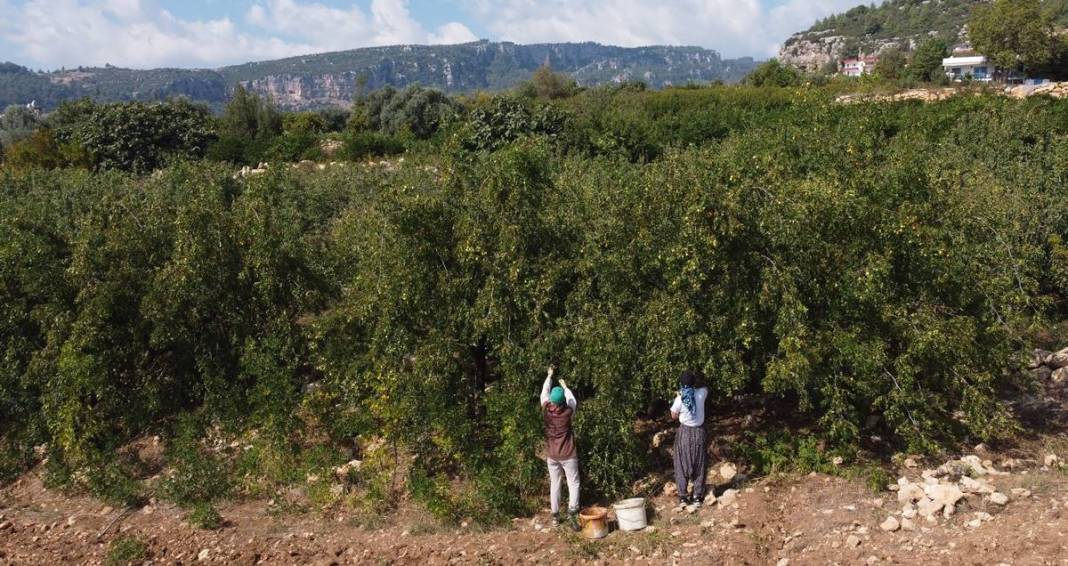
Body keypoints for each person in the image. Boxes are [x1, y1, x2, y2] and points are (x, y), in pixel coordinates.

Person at [540, 366, 579, 528]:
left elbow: (544, 393)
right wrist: (565, 386)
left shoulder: (546, 410)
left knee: (555, 484)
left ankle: (555, 516)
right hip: (568, 454)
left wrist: (549, 376)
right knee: (573, 483)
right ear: (562, 401)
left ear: (552, 400)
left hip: (552, 455)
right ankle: (572, 513)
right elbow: (572, 400)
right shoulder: (568, 412)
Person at [670, 370, 709, 509]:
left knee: (681, 464)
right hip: (699, 432)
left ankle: (683, 497)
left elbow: (673, 415)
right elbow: (704, 386)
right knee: (700, 463)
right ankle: (697, 496)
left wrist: (679, 396)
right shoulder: (702, 394)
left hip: (684, 433)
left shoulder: (680, 399)